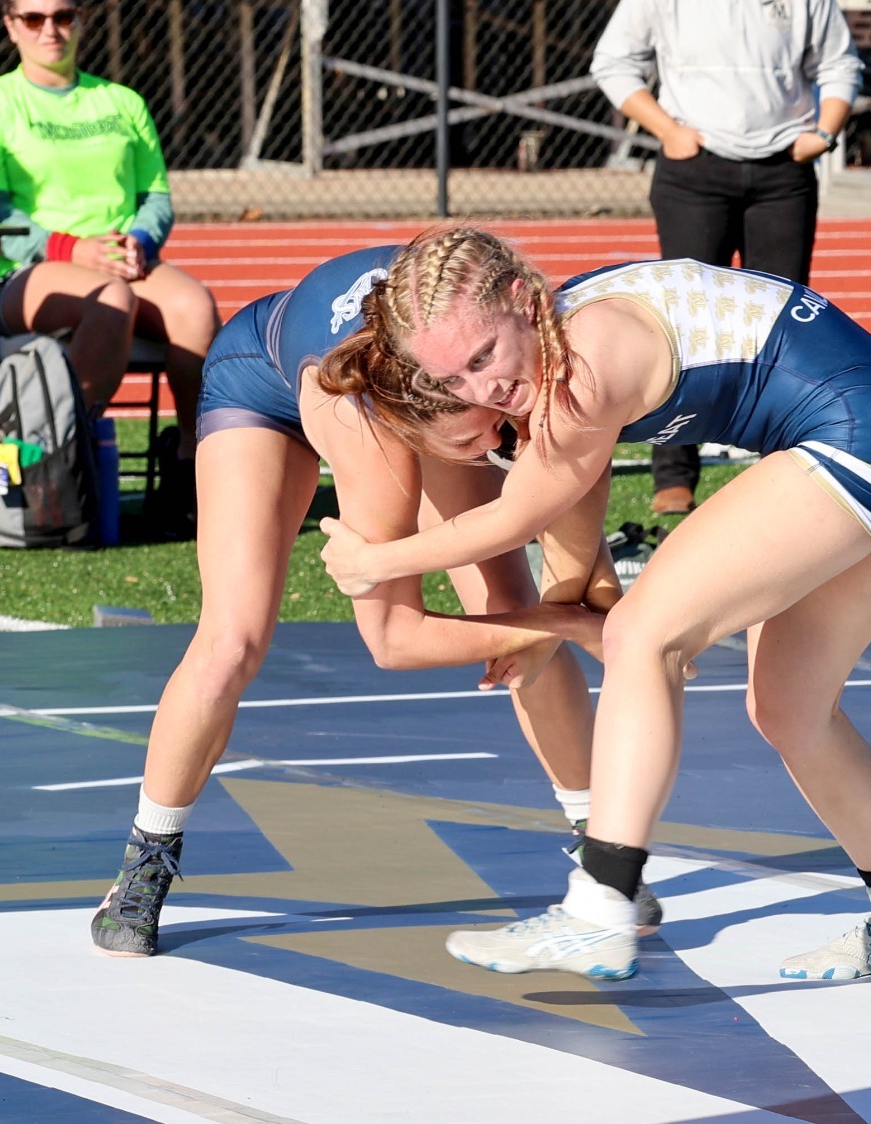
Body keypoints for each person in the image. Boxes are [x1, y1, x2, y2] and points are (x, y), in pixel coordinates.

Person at [316, 227, 871, 983]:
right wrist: (568, 608)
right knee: (789, 710)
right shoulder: (558, 362)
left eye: (485, 357)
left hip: (864, 435)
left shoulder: (586, 362)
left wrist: (375, 562)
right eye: (456, 380)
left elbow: (515, 517)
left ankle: (599, 908)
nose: (482, 391)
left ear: (525, 302)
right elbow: (571, 515)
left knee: (643, 637)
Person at [89, 246, 659, 957]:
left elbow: (558, 515)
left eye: (497, 419)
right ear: (418, 433)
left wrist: (543, 619)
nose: (502, 445)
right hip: (259, 378)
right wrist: (567, 622)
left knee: (509, 606)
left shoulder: (477, 362)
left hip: (409, 374)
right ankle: (144, 863)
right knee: (232, 640)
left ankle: (600, 854)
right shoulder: (380, 455)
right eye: (484, 439)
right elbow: (392, 642)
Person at [0, 0, 219, 529]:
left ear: (81, 22)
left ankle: (190, 473)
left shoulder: (123, 101)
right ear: (10, 26)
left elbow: (157, 199)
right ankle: (56, 458)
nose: (50, 29)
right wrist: (70, 249)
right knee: (110, 301)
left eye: (64, 16)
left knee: (196, 308)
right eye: (33, 18)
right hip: (24, 273)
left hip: (121, 260)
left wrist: (140, 239)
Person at [591, 0, 862, 517]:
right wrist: (669, 131)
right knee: (683, 322)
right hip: (693, 174)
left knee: (787, 330)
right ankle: (673, 475)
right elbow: (613, 62)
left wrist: (823, 133)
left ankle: (789, 467)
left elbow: (840, 63)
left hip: (784, 174)